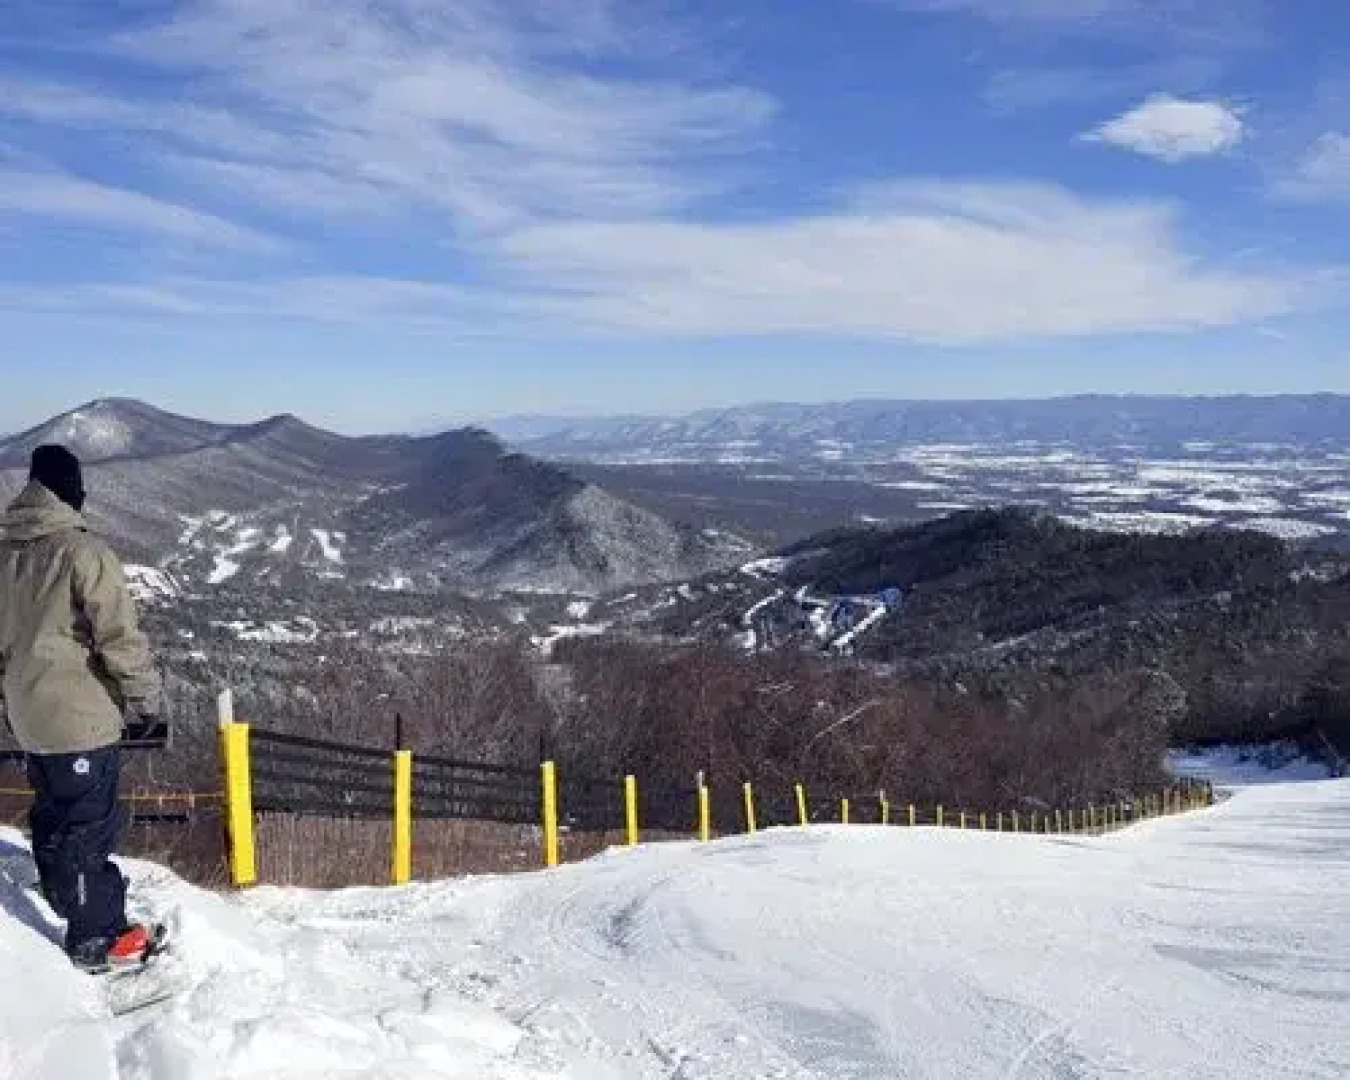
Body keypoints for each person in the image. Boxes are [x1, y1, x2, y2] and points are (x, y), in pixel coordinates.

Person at [0, 445, 164, 972]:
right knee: (87, 826)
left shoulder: (6, 552)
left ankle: (66, 897)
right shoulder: (81, 551)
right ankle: (97, 937)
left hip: (28, 715)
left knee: (54, 812)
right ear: (69, 490)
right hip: (78, 717)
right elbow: (119, 636)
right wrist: (146, 700)